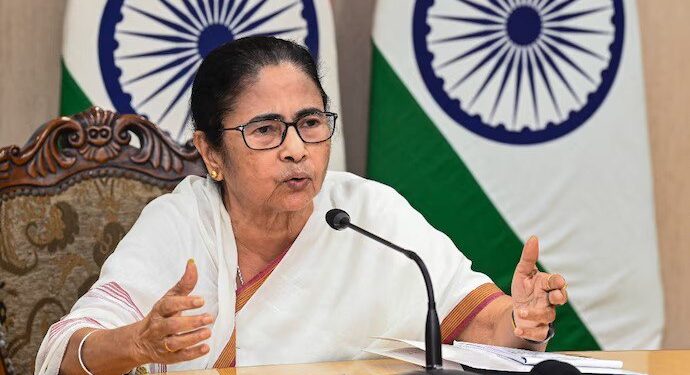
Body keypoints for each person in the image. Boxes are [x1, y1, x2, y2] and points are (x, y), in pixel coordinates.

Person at [35, 36, 568, 374]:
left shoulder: (367, 212)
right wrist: (138, 342)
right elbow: (60, 356)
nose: (296, 148)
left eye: (311, 122)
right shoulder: (181, 224)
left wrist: (522, 317)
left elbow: (481, 325)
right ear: (209, 151)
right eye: (265, 129)